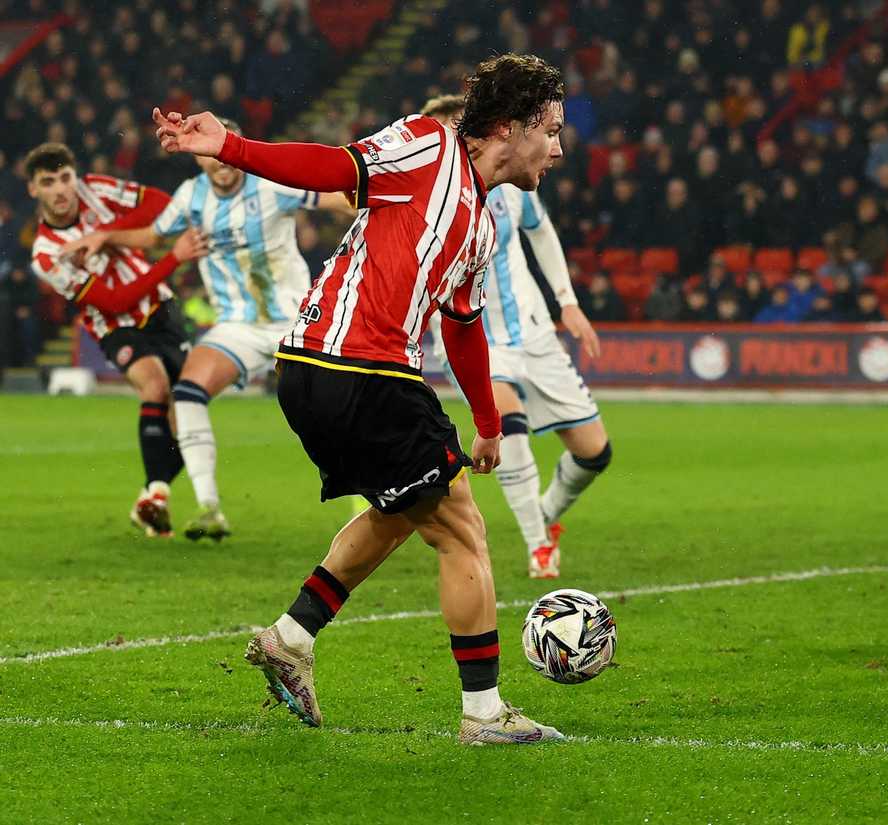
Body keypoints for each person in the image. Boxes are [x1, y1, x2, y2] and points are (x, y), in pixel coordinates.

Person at [153, 53, 571, 744]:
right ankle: (484, 712)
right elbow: (334, 168)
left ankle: (291, 636)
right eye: (550, 129)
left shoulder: (484, 223)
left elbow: (463, 329)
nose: (558, 147)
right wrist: (229, 145)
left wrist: (488, 424)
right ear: (512, 125)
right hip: (359, 365)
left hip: (323, 372)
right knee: (464, 530)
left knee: (404, 508)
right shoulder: (428, 145)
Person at [62, 119, 355, 542]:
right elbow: (152, 235)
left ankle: (365, 499)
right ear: (198, 157)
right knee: (186, 394)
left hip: (296, 321)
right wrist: (106, 236)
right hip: (235, 325)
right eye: (207, 153)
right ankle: (209, 507)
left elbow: (335, 199)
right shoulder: (191, 197)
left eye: (222, 150)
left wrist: (382, 202)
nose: (217, 161)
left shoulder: (271, 183)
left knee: (332, 408)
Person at [420, 95, 613, 580]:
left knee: (595, 452)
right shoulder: (430, 195)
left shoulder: (510, 182)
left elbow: (542, 233)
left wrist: (567, 302)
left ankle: (540, 514)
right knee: (510, 421)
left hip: (533, 330)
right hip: (474, 331)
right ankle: (538, 545)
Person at [25, 142, 207, 537]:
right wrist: (172, 257)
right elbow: (114, 300)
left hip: (162, 308)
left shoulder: (94, 189)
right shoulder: (46, 255)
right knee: (155, 384)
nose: (60, 190)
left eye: (64, 179)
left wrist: (106, 234)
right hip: (115, 325)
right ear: (33, 190)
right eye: (48, 182)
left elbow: (161, 204)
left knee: (188, 413)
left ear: (75, 177)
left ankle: (149, 497)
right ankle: (157, 495)